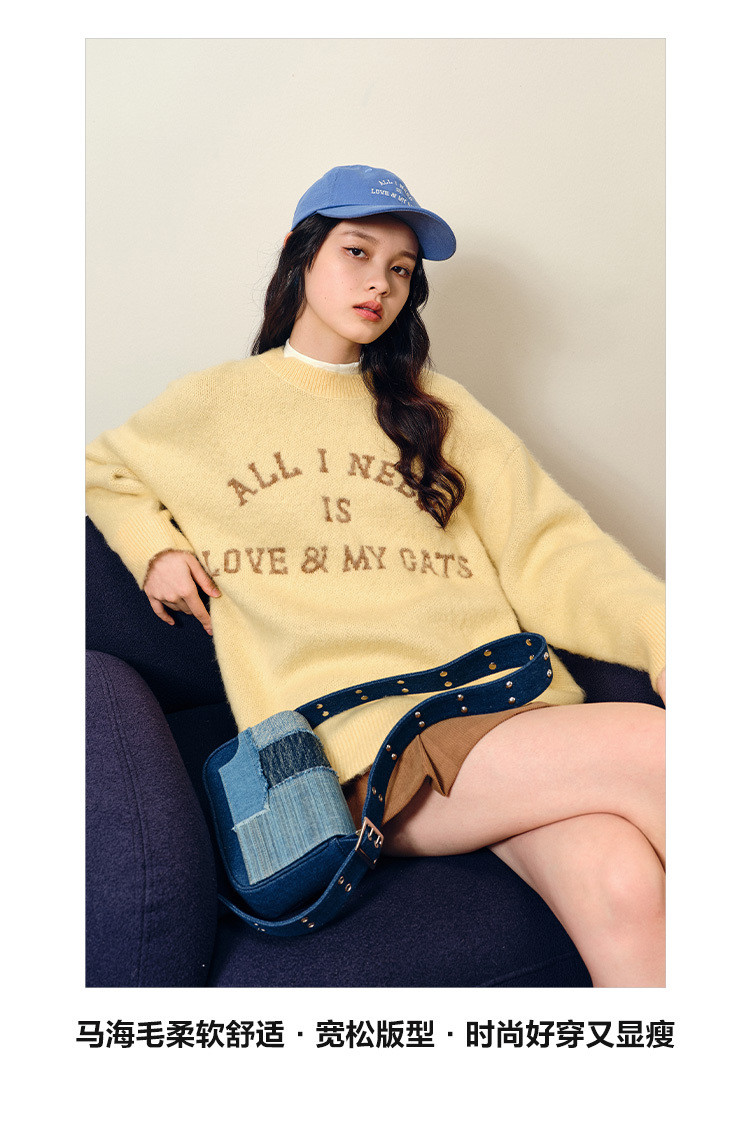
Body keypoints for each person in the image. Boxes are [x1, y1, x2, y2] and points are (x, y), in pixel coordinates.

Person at [86, 164, 666, 987]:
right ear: (300, 253)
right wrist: (154, 548)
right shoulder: (212, 405)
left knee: (621, 884)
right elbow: (99, 468)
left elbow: (552, 550)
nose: (379, 284)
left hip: (503, 706)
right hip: (361, 745)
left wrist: (664, 638)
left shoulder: (436, 407)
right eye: (356, 252)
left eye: (400, 268)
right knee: (664, 752)